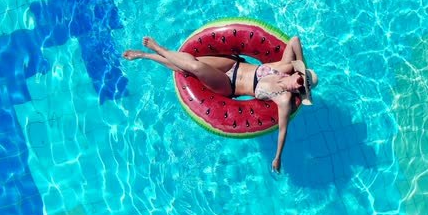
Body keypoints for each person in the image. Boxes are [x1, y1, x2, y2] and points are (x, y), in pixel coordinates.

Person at [123, 35, 318, 173]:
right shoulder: (285, 67)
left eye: (302, 89)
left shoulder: (283, 98)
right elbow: (294, 40)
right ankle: (147, 55)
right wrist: (302, 65)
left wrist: (278, 157)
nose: (298, 86)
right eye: (301, 80)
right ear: (298, 74)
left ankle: (157, 50)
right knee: (190, 64)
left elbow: (283, 130)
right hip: (233, 65)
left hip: (228, 85)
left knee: (195, 67)